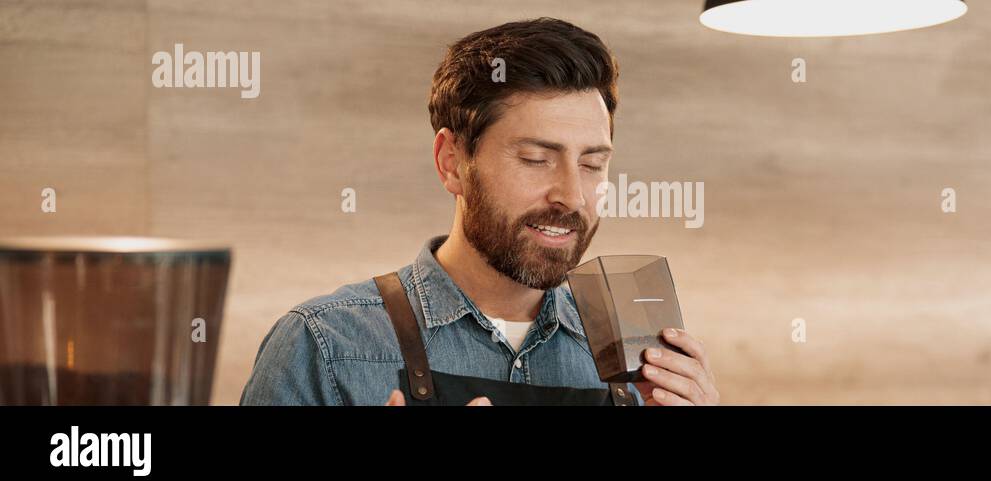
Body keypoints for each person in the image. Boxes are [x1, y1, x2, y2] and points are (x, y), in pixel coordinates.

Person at [240, 18, 720, 406]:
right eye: (536, 159)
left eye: (592, 164)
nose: (572, 196)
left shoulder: (638, 371)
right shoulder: (325, 346)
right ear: (452, 163)